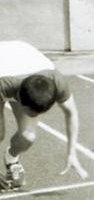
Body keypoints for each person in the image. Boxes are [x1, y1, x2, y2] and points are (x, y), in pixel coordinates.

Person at [0, 41, 87, 190]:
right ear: (19, 99)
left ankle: (11, 159)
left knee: (28, 136)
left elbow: (71, 113)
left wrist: (72, 153)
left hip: (24, 62)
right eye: (31, 112)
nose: (34, 116)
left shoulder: (57, 82)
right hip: (5, 72)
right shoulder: (3, 84)